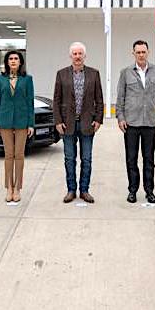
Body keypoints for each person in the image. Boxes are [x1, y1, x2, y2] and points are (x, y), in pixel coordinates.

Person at [115, 40, 155, 204]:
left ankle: (149, 191)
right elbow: (120, 97)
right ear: (133, 54)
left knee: (149, 159)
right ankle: (132, 190)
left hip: (150, 123)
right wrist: (120, 117)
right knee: (131, 159)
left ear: (148, 52)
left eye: (143, 52)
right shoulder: (126, 72)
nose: (141, 55)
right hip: (131, 123)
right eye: (138, 52)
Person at [52, 42, 104, 203]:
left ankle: (84, 190)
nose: (77, 56)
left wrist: (98, 120)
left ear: (84, 56)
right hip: (67, 124)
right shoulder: (61, 74)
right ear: (70, 56)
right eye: (74, 54)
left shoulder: (94, 74)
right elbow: (56, 99)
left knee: (86, 159)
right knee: (69, 159)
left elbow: (99, 100)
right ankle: (71, 190)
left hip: (87, 123)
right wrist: (58, 121)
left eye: (80, 53)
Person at [0, 50, 35, 203]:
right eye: (10, 59)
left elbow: (30, 102)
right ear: (7, 62)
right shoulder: (0, 80)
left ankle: (18, 188)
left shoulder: (27, 79)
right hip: (5, 121)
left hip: (22, 121)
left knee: (19, 155)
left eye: (16, 58)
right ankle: (9, 187)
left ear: (20, 62)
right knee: (8, 155)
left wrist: (31, 123)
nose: (13, 61)